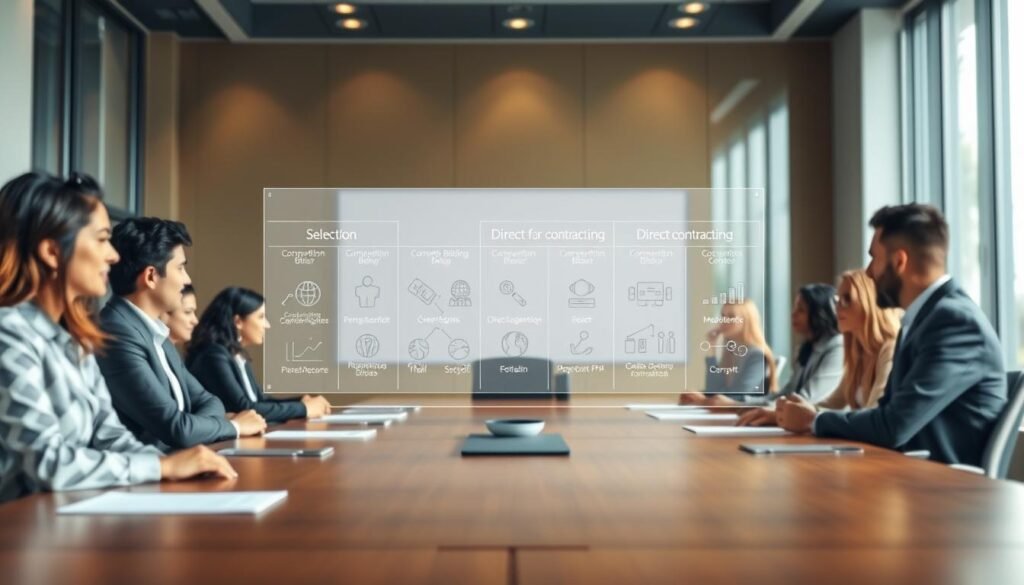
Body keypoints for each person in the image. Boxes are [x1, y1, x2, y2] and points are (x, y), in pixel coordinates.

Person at [0, 172, 236, 502]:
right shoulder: (9, 335)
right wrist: (161, 469)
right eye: (100, 239)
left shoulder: (77, 339)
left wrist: (171, 467)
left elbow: (110, 435)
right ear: (52, 252)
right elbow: (47, 462)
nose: (112, 255)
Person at [773, 204, 1006, 466]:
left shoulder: (955, 322)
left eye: (874, 258)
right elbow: (885, 414)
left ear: (899, 261)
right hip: (908, 474)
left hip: (945, 490)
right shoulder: (921, 319)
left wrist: (813, 420)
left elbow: (893, 425)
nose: (870, 272)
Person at [96, 218, 266, 451]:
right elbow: (177, 429)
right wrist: (234, 426)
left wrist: (203, 424)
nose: (187, 279)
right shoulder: (117, 333)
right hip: (149, 474)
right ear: (151, 276)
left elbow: (208, 401)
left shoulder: (154, 331)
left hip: (182, 466)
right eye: (180, 267)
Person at [739, 270, 901, 426]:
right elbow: (832, 404)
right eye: (838, 300)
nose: (837, 307)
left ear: (870, 304)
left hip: (883, 452)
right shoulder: (856, 352)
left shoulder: (889, 349)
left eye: (847, 299)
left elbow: (874, 414)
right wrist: (784, 413)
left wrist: (804, 416)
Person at [186, 287, 331, 422]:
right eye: (261, 317)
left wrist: (300, 402)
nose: (267, 325)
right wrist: (304, 409)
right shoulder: (213, 356)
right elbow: (244, 408)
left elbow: (259, 400)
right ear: (238, 321)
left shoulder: (235, 354)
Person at [681, 299, 778, 404]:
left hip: (746, 416)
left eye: (731, 317)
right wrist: (711, 349)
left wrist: (703, 400)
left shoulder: (757, 355)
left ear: (746, 321)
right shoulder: (730, 353)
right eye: (723, 315)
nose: (724, 320)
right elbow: (714, 391)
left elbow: (735, 396)